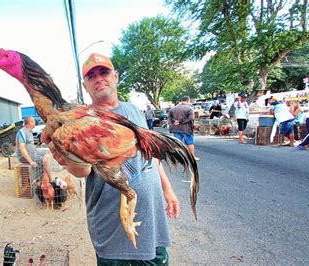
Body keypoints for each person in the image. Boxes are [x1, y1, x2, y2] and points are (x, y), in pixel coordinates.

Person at [48, 53, 180, 264]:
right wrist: (65, 154)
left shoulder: (134, 110)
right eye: (91, 76)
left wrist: (167, 189)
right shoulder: (81, 119)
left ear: (116, 76)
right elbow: (83, 171)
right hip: (111, 227)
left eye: (104, 72)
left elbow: (151, 154)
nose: (99, 78)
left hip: (151, 220)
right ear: (85, 85)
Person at [168, 96, 200, 160]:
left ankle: (177, 158)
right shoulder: (189, 108)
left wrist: (174, 121)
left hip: (175, 128)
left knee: (177, 143)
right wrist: (180, 121)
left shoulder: (173, 108)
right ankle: (192, 157)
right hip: (186, 129)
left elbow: (169, 117)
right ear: (188, 101)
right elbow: (191, 118)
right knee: (190, 143)